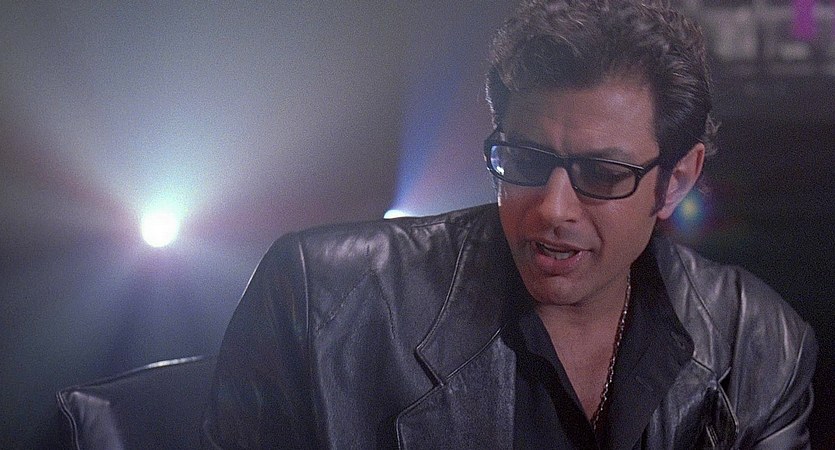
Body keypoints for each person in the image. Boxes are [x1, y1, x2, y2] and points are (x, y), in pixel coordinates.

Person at [202, 0, 818, 448]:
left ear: (676, 180)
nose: (552, 208)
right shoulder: (320, 300)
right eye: (525, 160)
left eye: (602, 173)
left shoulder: (758, 343)